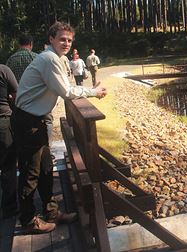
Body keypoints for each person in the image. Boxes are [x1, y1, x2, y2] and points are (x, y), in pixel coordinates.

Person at [12, 21, 107, 234]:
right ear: (51, 39)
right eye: (62, 39)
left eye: (69, 40)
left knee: (46, 168)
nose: (66, 43)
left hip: (35, 120)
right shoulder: (49, 59)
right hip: (28, 122)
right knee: (30, 172)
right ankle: (28, 220)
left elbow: (67, 86)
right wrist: (94, 92)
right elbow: (66, 91)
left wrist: (90, 90)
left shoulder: (58, 58)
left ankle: (51, 212)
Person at [0, 65, 18, 220]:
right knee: (8, 166)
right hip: (3, 121)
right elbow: (16, 94)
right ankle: (9, 208)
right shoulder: (3, 70)